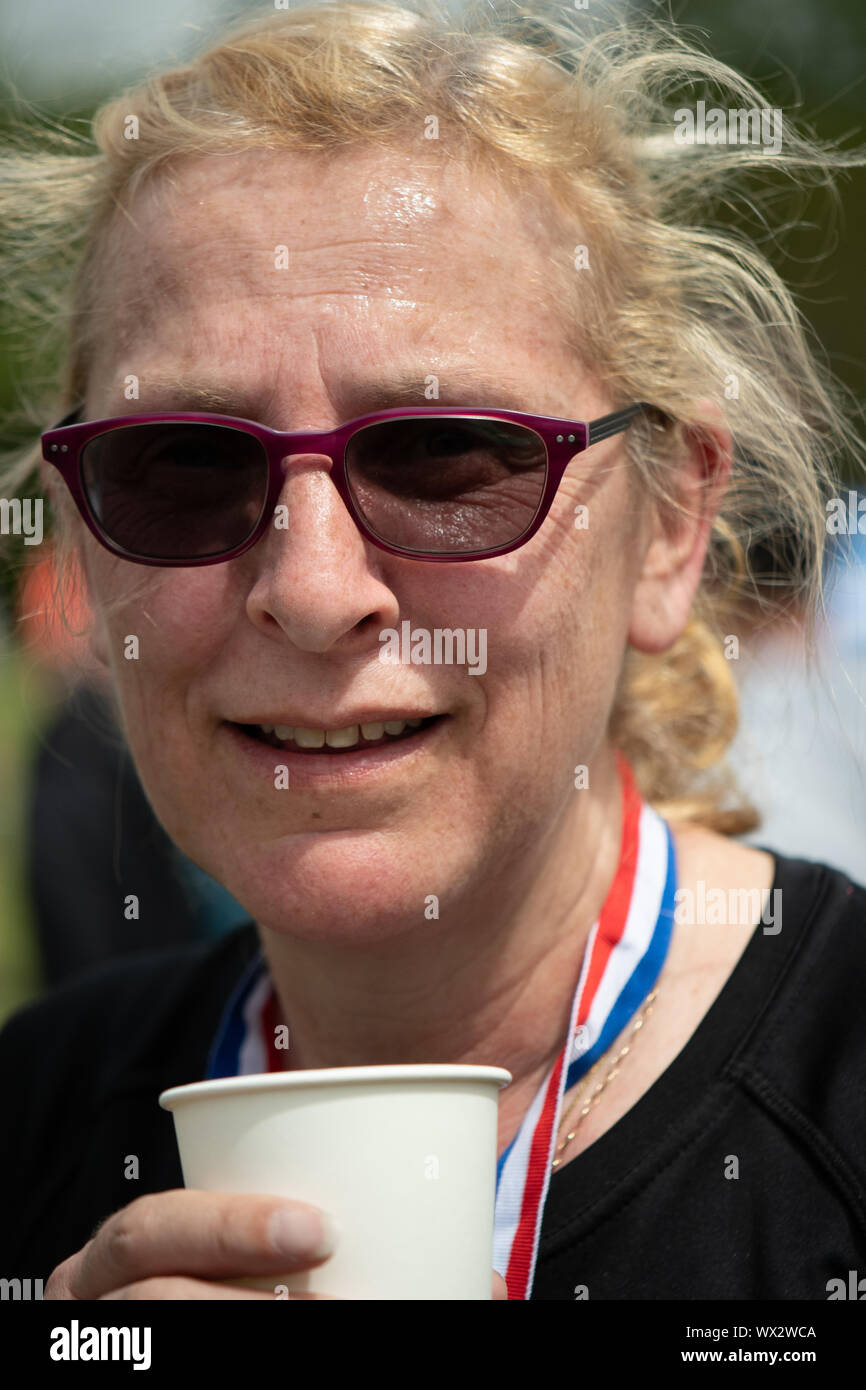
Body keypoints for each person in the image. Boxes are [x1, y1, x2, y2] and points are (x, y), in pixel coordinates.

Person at [0, 0, 864, 1302]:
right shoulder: (29, 1122)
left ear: (668, 525)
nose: (310, 588)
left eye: (442, 455)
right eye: (182, 462)